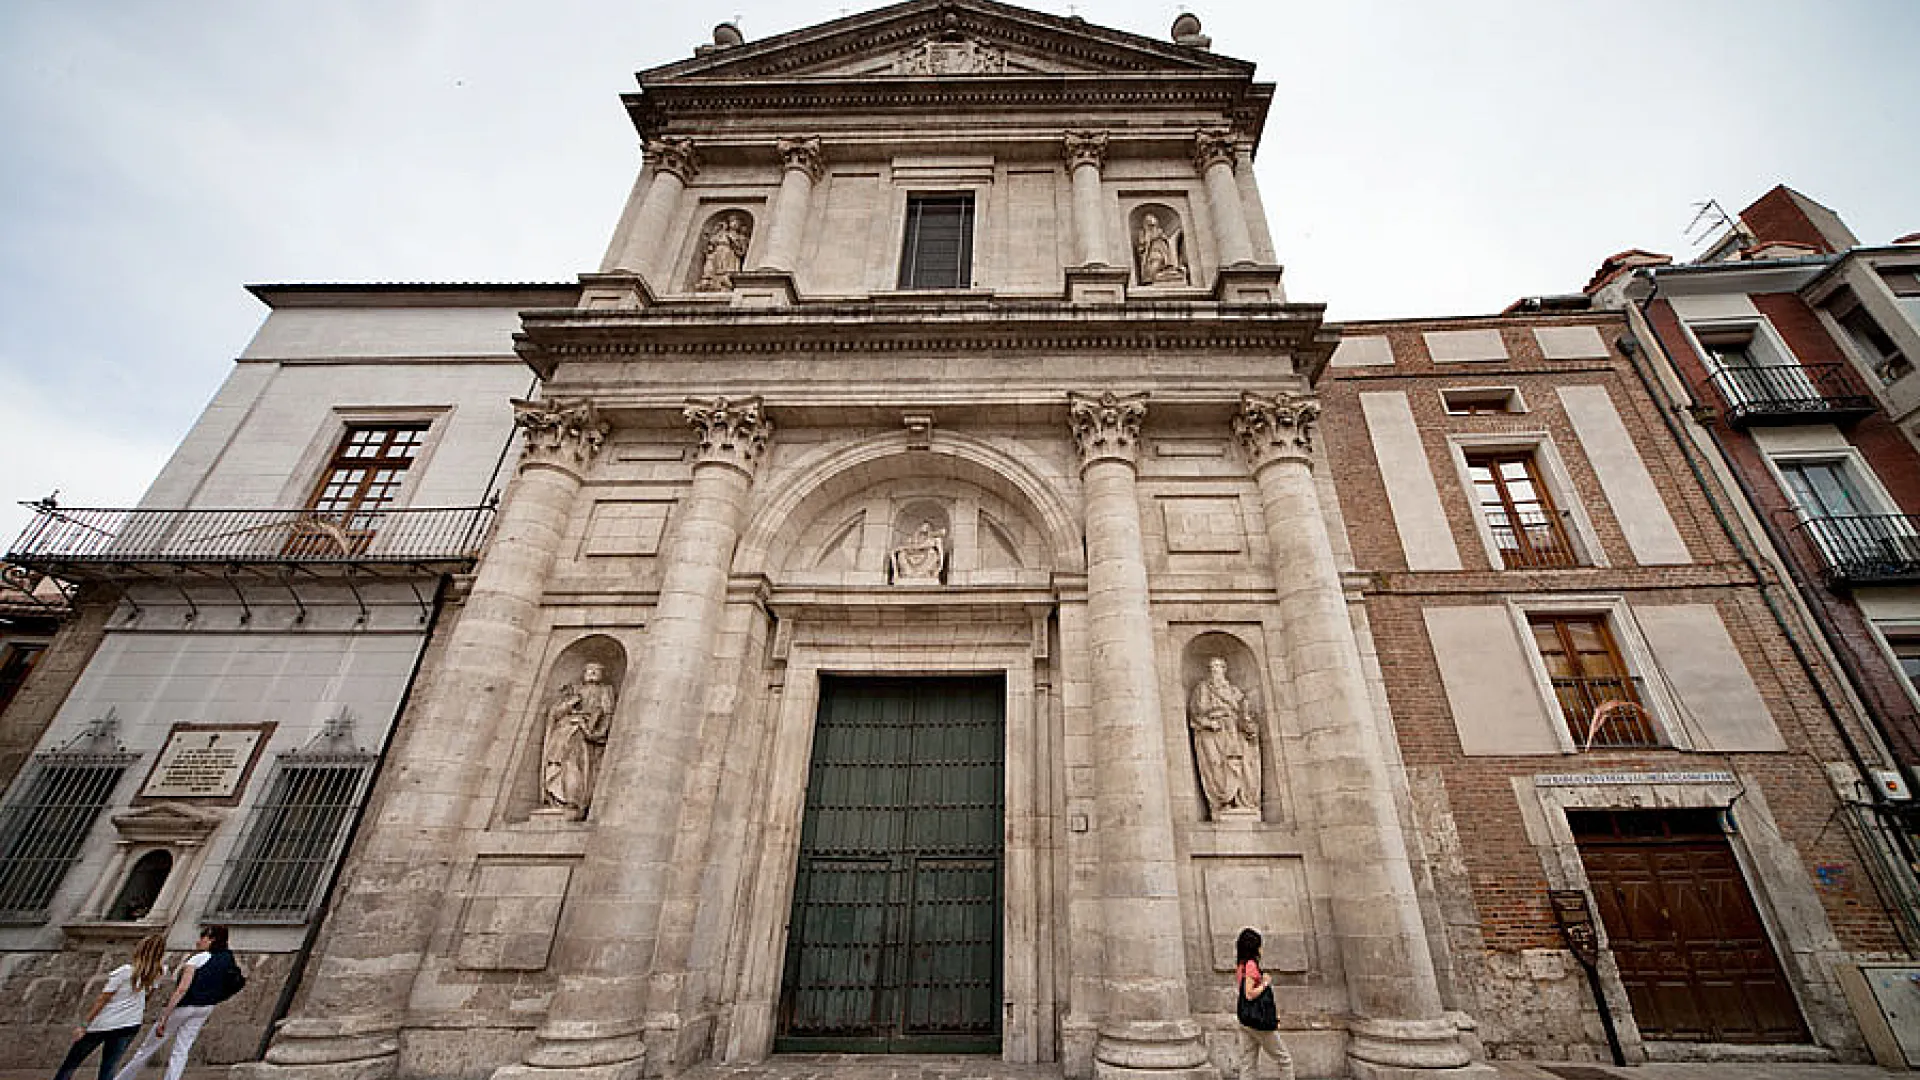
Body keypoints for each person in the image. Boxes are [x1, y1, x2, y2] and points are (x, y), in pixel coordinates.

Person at [111, 925, 243, 1080]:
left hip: (185, 1006)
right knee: (182, 1049)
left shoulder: (198, 959)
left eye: (203, 937)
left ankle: (123, 1078)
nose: (199, 941)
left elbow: (182, 989)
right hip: (206, 1007)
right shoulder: (227, 958)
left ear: (211, 939)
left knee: (147, 1048)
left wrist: (164, 1017)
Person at [52, 933, 166, 1080]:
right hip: (130, 1023)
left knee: (72, 1063)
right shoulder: (157, 974)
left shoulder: (124, 972)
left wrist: (84, 1024)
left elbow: (102, 999)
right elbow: (147, 998)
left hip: (103, 1023)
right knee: (109, 1067)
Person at [542, 661, 618, 818]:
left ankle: (573, 801)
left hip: (584, 733)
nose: (592, 673)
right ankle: (557, 799)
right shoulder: (574, 691)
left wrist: (595, 731)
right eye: (589, 670)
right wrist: (571, 703)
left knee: (575, 765)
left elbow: (607, 714)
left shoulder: (605, 691)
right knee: (558, 764)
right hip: (563, 732)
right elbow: (556, 713)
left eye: (596, 671)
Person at [1188, 657, 1261, 816]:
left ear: (1224, 669)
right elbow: (1195, 714)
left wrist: (1247, 723)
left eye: (1218, 666)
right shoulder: (1202, 690)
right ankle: (1223, 801)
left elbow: (1244, 713)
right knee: (1216, 764)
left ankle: (1240, 799)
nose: (1215, 670)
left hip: (1233, 732)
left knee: (1236, 764)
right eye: (1212, 667)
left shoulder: (1234, 692)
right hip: (1212, 732)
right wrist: (1208, 723)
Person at [1234, 927, 1295, 1080]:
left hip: (1246, 1020)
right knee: (1284, 1060)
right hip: (1258, 1022)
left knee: (1248, 1063)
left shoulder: (1241, 966)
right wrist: (1265, 983)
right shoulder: (1251, 966)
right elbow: (1249, 994)